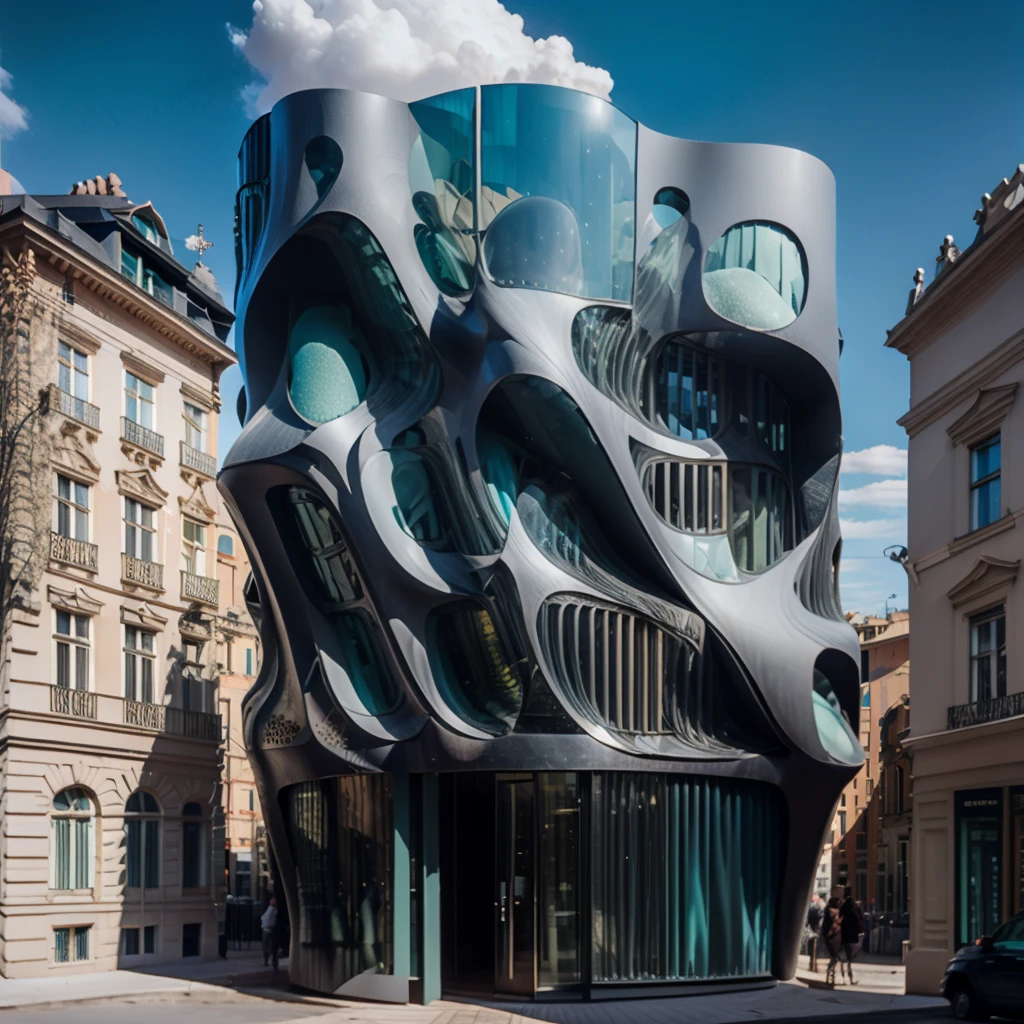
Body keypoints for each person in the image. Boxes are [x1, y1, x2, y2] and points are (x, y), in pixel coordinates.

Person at [840, 894, 865, 985]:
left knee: (843, 959)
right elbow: (859, 922)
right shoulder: (854, 911)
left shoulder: (843, 910)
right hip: (853, 938)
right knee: (850, 959)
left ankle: (843, 978)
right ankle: (850, 978)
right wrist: (861, 931)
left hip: (844, 937)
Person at [821, 891, 843, 985]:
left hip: (832, 936)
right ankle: (830, 976)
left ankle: (830, 976)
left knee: (835, 957)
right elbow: (836, 921)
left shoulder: (829, 910)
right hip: (832, 937)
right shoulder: (832, 911)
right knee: (835, 957)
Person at [806, 894, 824, 972]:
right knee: (816, 949)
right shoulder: (817, 907)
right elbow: (820, 917)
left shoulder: (809, 907)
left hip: (811, 930)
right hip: (816, 930)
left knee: (811, 948)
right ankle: (814, 965)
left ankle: (811, 964)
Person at [261, 897, 279, 969]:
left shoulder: (269, 909)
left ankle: (267, 960)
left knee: (267, 946)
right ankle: (269, 960)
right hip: (270, 930)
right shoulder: (274, 910)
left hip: (266, 930)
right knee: (270, 947)